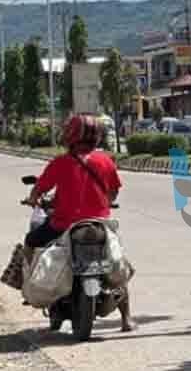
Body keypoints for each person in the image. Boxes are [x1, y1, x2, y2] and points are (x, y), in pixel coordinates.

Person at [23, 115, 133, 332]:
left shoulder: (60, 163)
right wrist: (105, 203)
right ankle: (126, 318)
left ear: (70, 135)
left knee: (31, 240)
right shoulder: (105, 161)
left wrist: (33, 199)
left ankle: (31, 285)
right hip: (100, 225)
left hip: (63, 225)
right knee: (117, 264)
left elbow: (39, 190)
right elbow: (113, 192)